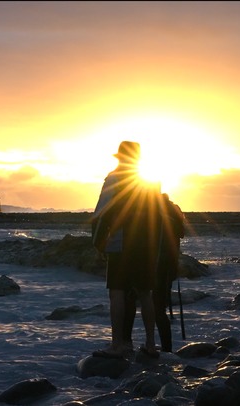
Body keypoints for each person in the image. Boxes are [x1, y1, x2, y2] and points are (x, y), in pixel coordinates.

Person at [91, 141, 160, 359]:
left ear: (120, 157)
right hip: (146, 244)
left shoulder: (114, 178)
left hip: (121, 243)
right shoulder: (148, 181)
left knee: (117, 293)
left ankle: (118, 344)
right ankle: (150, 344)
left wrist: (98, 243)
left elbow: (101, 213)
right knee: (145, 294)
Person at [123, 192, 185, 353]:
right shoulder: (173, 210)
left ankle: (126, 342)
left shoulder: (147, 211)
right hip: (168, 265)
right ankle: (166, 349)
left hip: (149, 263)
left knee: (130, 300)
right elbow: (181, 234)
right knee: (159, 308)